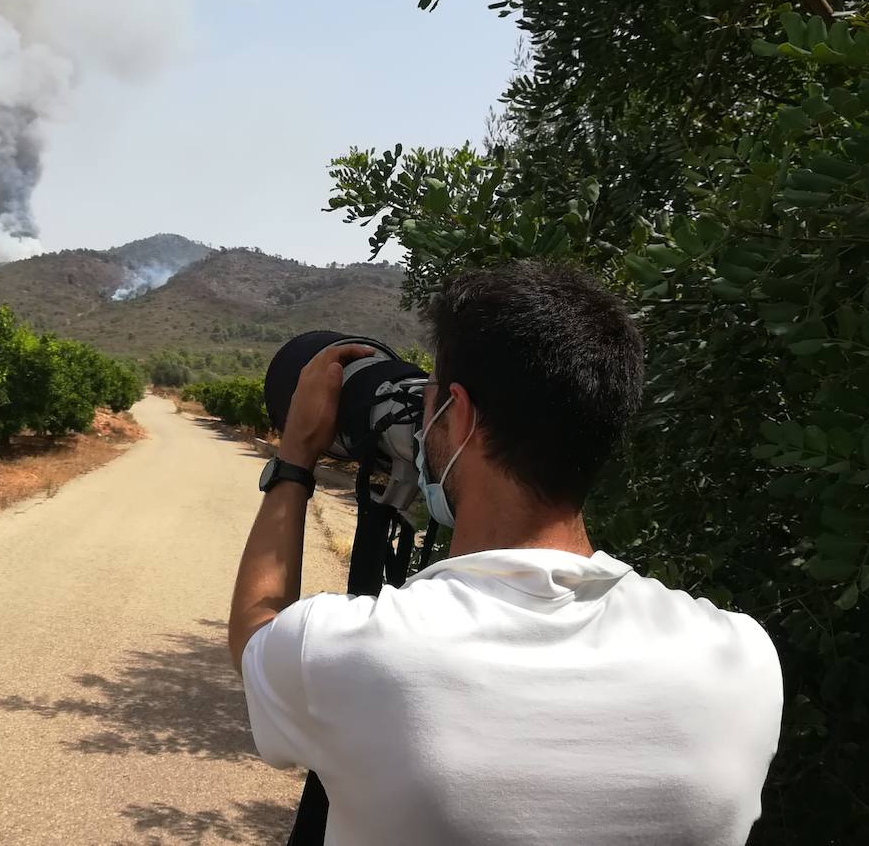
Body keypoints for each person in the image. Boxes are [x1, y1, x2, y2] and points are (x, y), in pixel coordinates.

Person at [228, 261, 782, 845]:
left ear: (459, 414)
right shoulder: (743, 658)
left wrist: (294, 459)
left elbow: (254, 633)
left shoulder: (360, 653)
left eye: (431, 400)